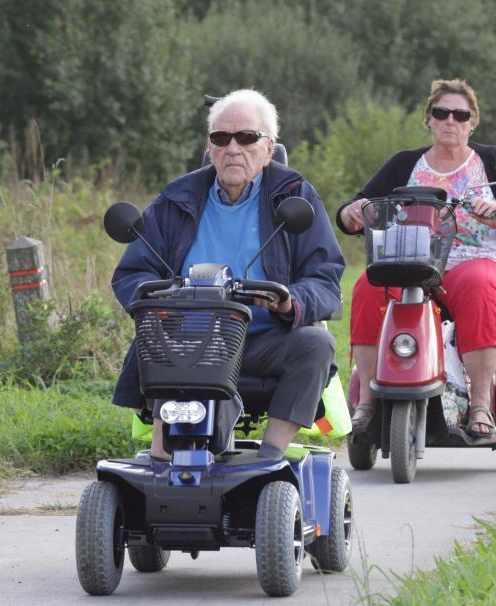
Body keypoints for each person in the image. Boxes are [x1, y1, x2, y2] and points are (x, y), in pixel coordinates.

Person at [110, 89, 345, 460]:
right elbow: (133, 271)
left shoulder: (294, 196)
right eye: (221, 138)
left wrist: (289, 301)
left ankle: (271, 456)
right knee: (156, 338)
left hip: (265, 341)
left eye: (246, 137)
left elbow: (325, 276)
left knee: (316, 343)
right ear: (209, 145)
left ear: (268, 148)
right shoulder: (176, 198)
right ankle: (162, 458)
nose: (232, 148)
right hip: (188, 339)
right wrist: (156, 296)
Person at [337, 79, 496, 438]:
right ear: (428, 119)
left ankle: (480, 403)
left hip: (479, 261)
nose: (450, 121)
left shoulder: (491, 163)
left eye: (461, 115)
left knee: (478, 284)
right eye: (442, 113)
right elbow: (357, 208)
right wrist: (353, 212)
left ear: (472, 123)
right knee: (368, 285)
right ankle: (366, 400)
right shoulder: (404, 164)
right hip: (410, 263)